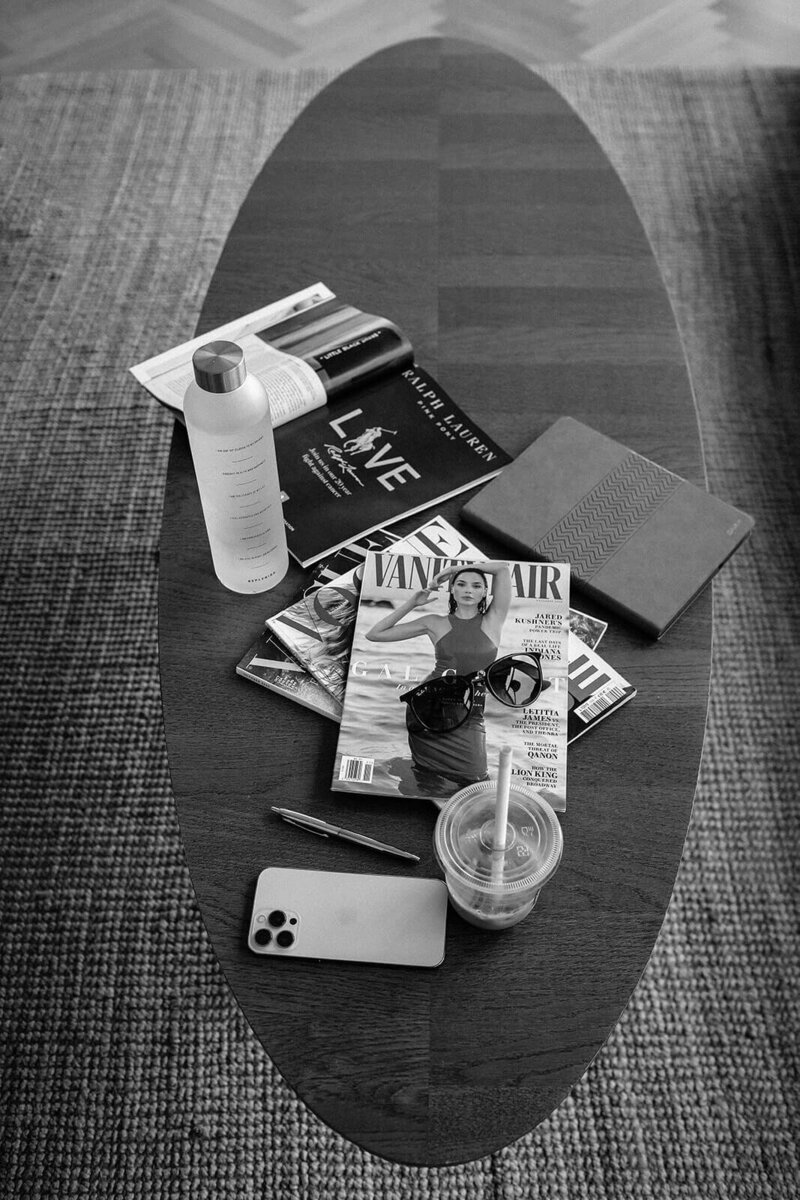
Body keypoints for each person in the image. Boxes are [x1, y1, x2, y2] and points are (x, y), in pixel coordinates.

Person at [366, 562, 512, 797]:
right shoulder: (435, 622)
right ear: (452, 590)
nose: (468, 590)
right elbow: (374, 634)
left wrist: (452, 570)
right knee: (427, 777)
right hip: (429, 708)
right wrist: (413, 602)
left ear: (485, 592)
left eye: (476, 586)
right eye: (461, 584)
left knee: (476, 776)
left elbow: (502, 570)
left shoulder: (493, 620)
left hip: (471, 709)